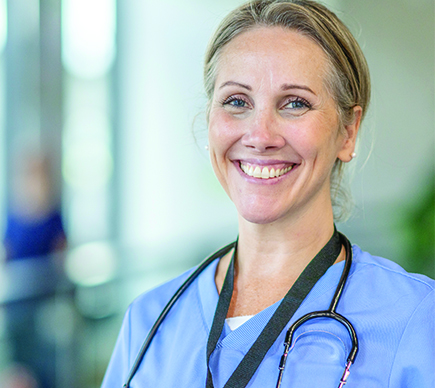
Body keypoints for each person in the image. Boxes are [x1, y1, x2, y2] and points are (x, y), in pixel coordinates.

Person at [102, 1, 434, 387]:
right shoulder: (150, 321)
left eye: (295, 103)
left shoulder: (415, 319)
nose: (260, 136)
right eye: (237, 102)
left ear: (348, 131)